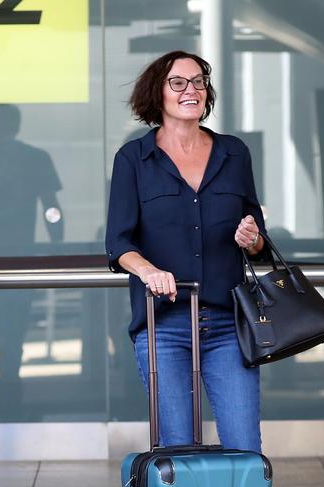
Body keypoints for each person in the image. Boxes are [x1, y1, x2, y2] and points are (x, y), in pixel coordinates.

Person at [105, 50, 267, 452]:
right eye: (178, 83)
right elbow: (119, 243)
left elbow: (258, 237)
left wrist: (254, 237)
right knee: (177, 450)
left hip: (230, 323)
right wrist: (148, 270)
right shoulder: (134, 159)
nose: (191, 90)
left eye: (198, 81)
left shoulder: (234, 153)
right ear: (157, 94)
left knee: (244, 446)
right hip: (165, 325)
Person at [0, 104, 63, 414]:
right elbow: (52, 210)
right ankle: (9, 398)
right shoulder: (35, 158)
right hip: (19, 256)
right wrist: (56, 246)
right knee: (14, 333)